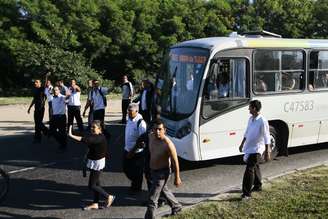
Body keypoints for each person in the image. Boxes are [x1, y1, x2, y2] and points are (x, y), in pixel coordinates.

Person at [68, 121, 115, 210]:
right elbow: (85, 136)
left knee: (92, 185)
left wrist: (71, 135)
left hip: (98, 163)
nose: (92, 129)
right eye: (91, 127)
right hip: (94, 162)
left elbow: (86, 140)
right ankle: (95, 203)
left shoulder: (99, 138)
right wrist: (73, 130)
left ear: (99, 129)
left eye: (94, 127)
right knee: (96, 183)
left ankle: (109, 197)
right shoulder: (95, 136)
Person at [144, 119, 182, 219]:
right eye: (155, 129)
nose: (157, 131)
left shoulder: (168, 144)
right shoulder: (151, 137)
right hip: (153, 170)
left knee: (153, 198)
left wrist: (177, 177)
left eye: (160, 129)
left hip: (162, 173)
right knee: (164, 190)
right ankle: (176, 206)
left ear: (164, 130)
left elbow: (175, 161)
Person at [238, 100, 271, 200]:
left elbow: (266, 136)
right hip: (249, 147)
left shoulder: (262, 121)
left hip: (257, 149)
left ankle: (246, 194)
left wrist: (267, 151)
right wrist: (242, 143)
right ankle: (258, 185)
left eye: (250, 107)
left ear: (254, 108)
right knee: (255, 166)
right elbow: (247, 132)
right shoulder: (250, 119)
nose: (248, 109)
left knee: (249, 169)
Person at [123, 103, 147, 192]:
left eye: (130, 111)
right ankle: (135, 183)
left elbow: (142, 142)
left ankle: (136, 188)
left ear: (136, 111)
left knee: (137, 172)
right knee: (126, 169)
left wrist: (133, 151)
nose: (128, 112)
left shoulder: (141, 123)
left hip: (136, 152)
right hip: (127, 149)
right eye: (128, 111)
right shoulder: (129, 119)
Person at [27, 78, 49, 143]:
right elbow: (34, 99)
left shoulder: (42, 89)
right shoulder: (35, 90)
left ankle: (47, 132)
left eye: (36, 82)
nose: (35, 83)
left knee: (39, 123)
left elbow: (45, 84)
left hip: (41, 109)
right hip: (36, 108)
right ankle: (38, 137)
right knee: (37, 124)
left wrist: (46, 76)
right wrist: (29, 108)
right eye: (35, 82)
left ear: (40, 83)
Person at [50, 86, 69, 152]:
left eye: (56, 90)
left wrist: (68, 93)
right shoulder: (53, 98)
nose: (55, 91)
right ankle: (62, 142)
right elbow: (53, 108)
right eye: (54, 90)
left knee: (62, 132)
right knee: (52, 131)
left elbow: (67, 97)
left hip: (61, 117)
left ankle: (63, 145)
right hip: (54, 117)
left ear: (59, 91)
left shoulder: (62, 97)